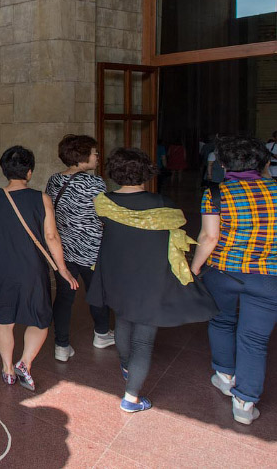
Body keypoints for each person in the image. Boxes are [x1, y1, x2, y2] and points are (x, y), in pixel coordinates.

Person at [89, 148, 217, 414]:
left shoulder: (104, 202)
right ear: (147, 172)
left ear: (114, 172)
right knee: (144, 341)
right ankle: (131, 398)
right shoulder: (163, 205)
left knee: (123, 319)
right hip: (151, 276)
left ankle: (126, 367)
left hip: (117, 273)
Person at [192, 135, 277, 425]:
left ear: (225, 164)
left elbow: (209, 237)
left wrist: (194, 267)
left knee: (221, 321)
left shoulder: (216, 194)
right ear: (263, 162)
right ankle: (244, 402)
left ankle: (225, 375)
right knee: (254, 339)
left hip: (224, 271)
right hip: (268, 275)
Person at [0, 146, 78, 391]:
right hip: (32, 269)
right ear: (30, 172)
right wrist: (63, 269)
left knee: (4, 320)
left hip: (2, 266)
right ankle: (24, 362)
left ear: (4, 170)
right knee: (40, 318)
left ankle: (7, 370)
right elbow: (51, 236)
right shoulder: (40, 198)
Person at [45, 135, 114, 362]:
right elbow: (104, 215)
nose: (97, 156)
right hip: (91, 249)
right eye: (94, 152)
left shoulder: (54, 180)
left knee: (64, 297)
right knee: (97, 293)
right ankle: (102, 334)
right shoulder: (94, 183)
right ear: (82, 156)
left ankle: (61, 346)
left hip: (63, 249)